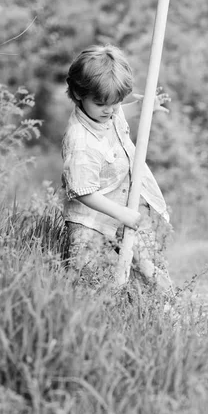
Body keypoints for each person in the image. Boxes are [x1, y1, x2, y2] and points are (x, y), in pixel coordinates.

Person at [61, 44, 174, 294]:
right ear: (79, 93)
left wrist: (146, 109)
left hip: (125, 204)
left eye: (115, 103)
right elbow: (82, 191)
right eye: (102, 103)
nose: (110, 110)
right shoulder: (81, 141)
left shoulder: (107, 111)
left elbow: (119, 114)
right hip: (92, 221)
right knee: (91, 281)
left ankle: (166, 315)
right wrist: (120, 214)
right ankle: (98, 322)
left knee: (151, 266)